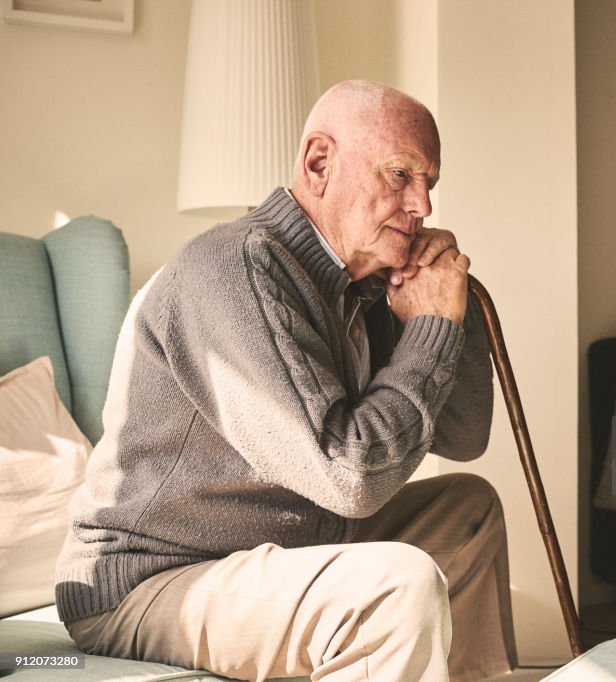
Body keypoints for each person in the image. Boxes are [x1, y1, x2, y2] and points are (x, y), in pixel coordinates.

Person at [56, 80, 517, 682]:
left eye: (430, 182)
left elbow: (463, 434)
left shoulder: (365, 280)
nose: (422, 206)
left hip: (279, 550)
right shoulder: (237, 267)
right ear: (319, 163)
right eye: (401, 175)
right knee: (394, 587)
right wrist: (430, 325)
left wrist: (447, 305)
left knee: (469, 508)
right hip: (152, 580)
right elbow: (352, 478)